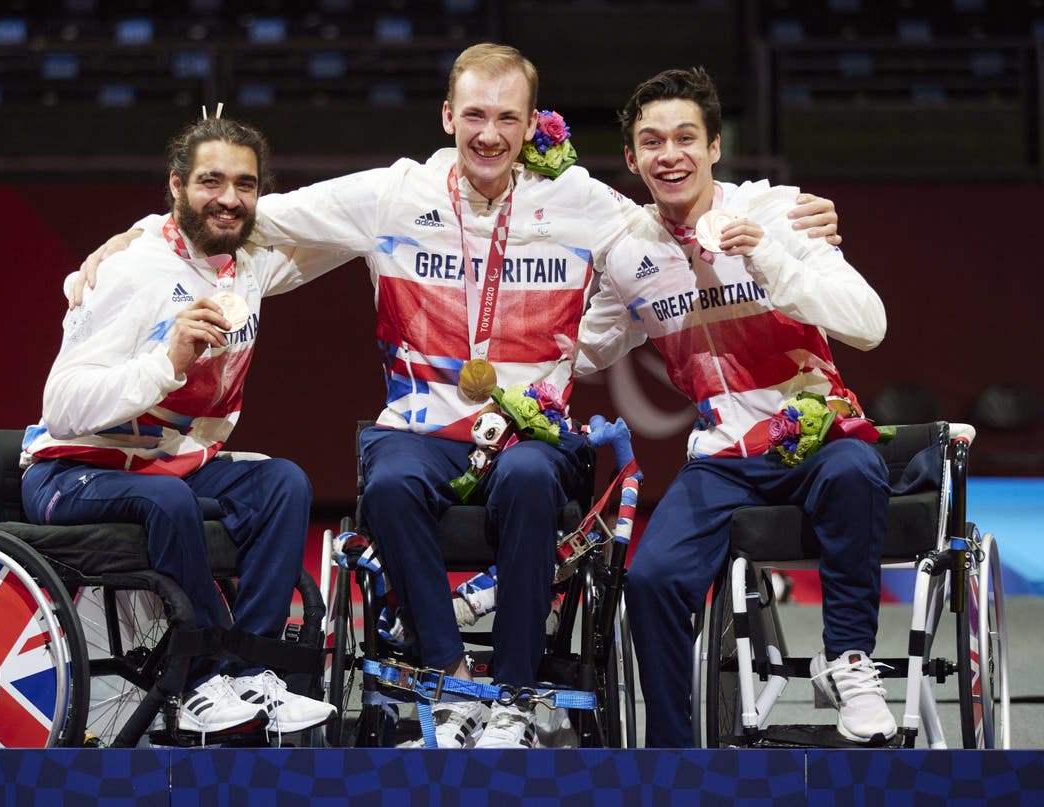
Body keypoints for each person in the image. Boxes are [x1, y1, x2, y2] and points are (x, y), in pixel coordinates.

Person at [73, 43, 844, 749]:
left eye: (506, 117)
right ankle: (447, 690)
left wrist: (775, 212)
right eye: (473, 114)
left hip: (529, 437)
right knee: (397, 480)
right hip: (419, 431)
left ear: (528, 124)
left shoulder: (575, 200)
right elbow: (246, 214)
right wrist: (140, 232)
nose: (488, 133)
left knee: (534, 476)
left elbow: (679, 209)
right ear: (449, 116)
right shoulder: (392, 196)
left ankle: (513, 696)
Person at [576, 66, 895, 747]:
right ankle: (672, 752)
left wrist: (772, 258)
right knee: (652, 579)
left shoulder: (777, 212)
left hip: (812, 435)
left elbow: (868, 323)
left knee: (857, 472)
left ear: (715, 146)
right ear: (632, 158)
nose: (671, 154)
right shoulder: (630, 252)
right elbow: (581, 351)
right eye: (653, 141)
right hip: (721, 458)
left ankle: (847, 660)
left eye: (686, 137)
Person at [20, 117, 341, 740]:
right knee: (167, 499)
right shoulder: (130, 271)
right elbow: (61, 404)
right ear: (176, 186)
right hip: (75, 468)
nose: (228, 197)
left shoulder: (245, 265)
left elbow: (353, 225)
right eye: (210, 181)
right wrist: (166, 363)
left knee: (286, 483)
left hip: (172, 464)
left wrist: (435, 181)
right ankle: (202, 679)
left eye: (245, 185)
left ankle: (252, 672)